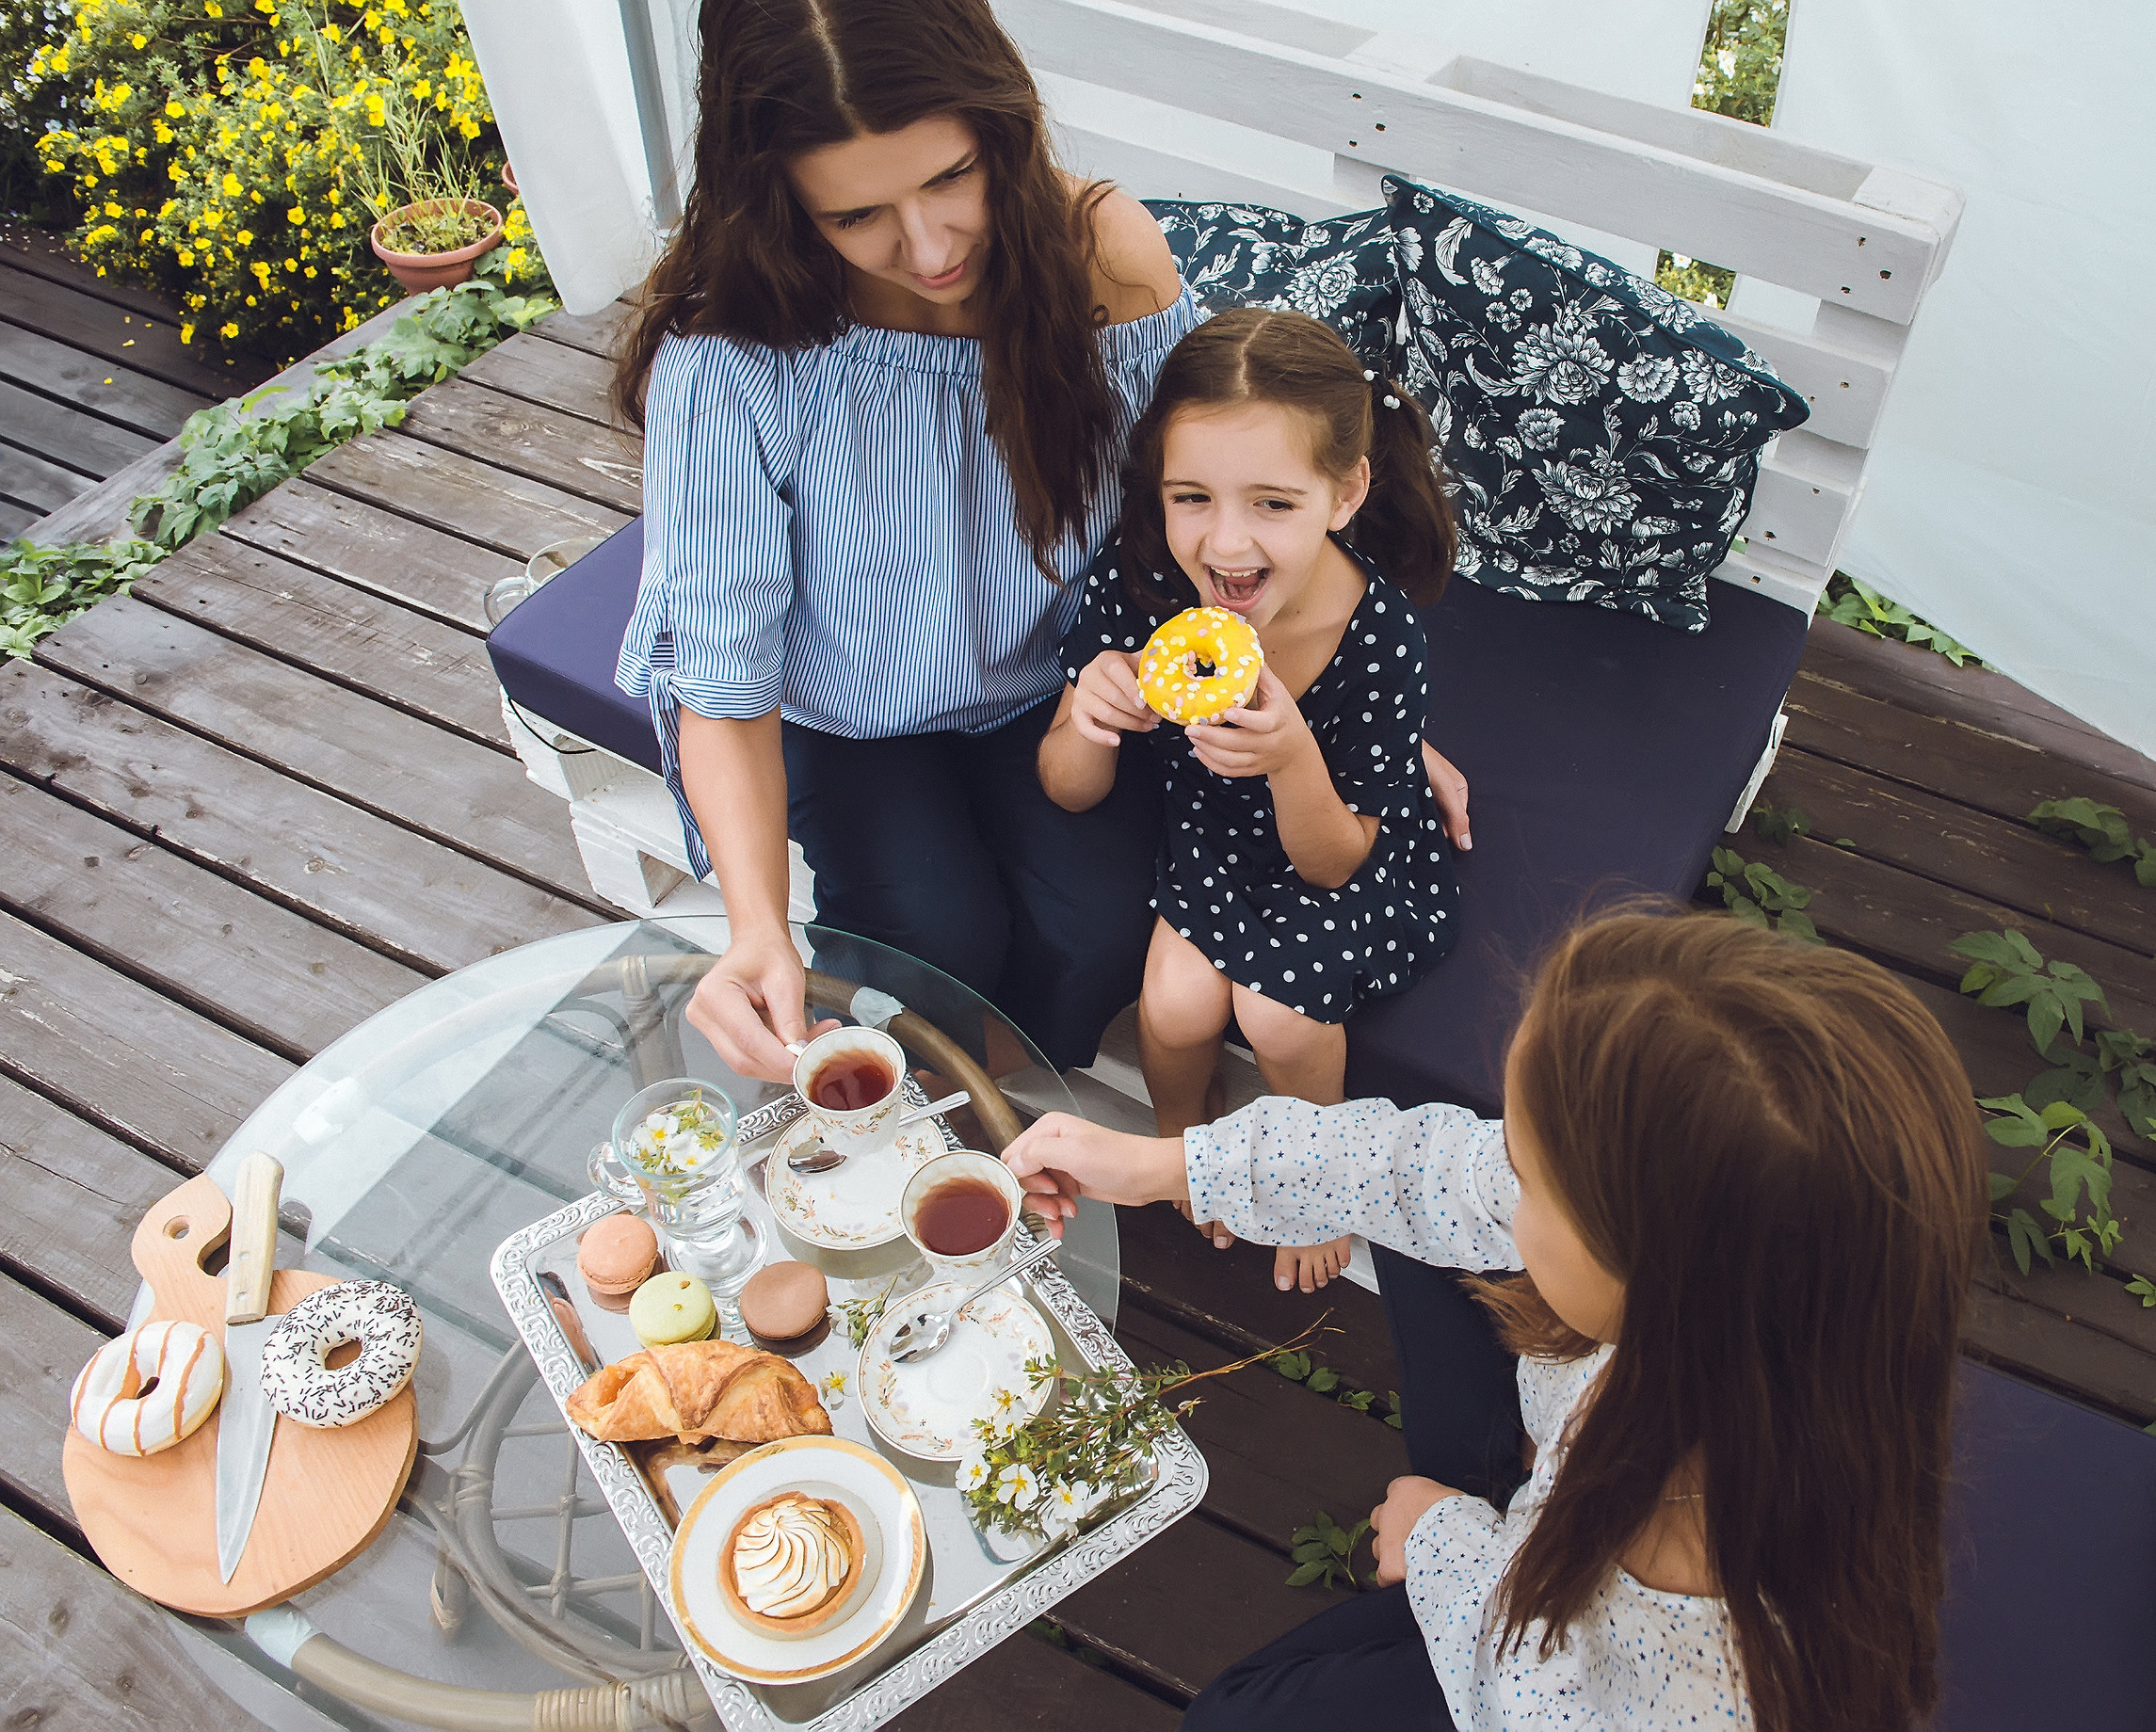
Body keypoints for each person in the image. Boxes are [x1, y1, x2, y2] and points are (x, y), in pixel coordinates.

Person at [609, 0, 1470, 1084]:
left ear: (1002, 128)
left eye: (951, 177)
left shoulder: (1100, 257)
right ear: (777, 195)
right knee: (935, 941)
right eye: (855, 216)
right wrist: (756, 928)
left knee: (1100, 929)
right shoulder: (732, 350)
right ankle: (960, 1110)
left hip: (1055, 687)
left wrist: (1350, 718)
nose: (926, 249)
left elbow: (1207, 500)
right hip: (854, 714)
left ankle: (1021, 1093)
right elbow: (723, 678)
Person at [1004, 909, 1990, 1731]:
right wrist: (1161, 1165)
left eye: (1529, 1177)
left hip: (1540, 1622)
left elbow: (1528, 1687)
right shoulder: (1799, 1318)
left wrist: (1439, 1539)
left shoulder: (1692, 1664)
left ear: (1657, 1281)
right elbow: (1419, 1168)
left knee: (1233, 1714)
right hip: (1554, 1487)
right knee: (1423, 1217)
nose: (1496, 1176)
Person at [1040, 307, 1460, 1294]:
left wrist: (1290, 756)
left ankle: (1310, 1186)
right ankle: (1186, 1146)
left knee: (1278, 1015)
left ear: (1344, 491)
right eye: (1192, 496)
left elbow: (1336, 858)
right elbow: (1065, 791)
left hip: (1342, 847)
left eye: (1273, 503)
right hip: (1214, 842)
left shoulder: (1382, 640)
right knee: (1174, 1005)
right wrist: (1088, 716)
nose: (1225, 543)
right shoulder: (1145, 581)